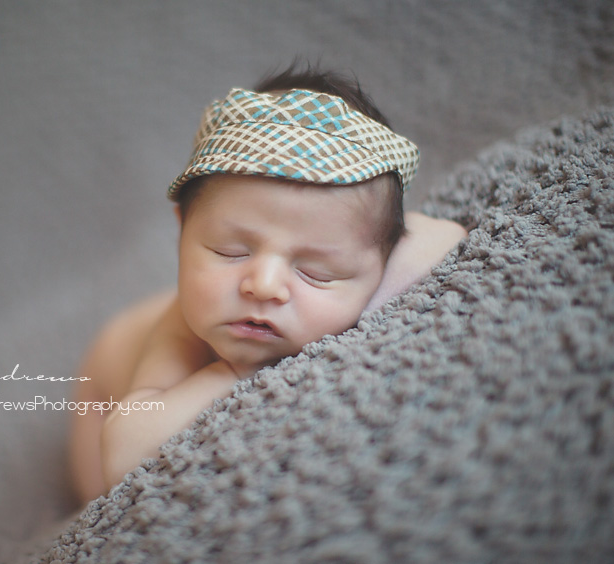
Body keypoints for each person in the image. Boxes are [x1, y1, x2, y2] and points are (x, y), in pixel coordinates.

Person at [68, 65, 468, 502]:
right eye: (230, 251)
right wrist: (234, 370)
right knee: (101, 504)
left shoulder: (374, 257)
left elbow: (447, 237)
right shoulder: (179, 328)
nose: (263, 285)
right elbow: (123, 453)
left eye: (316, 272)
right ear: (183, 227)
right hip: (103, 387)